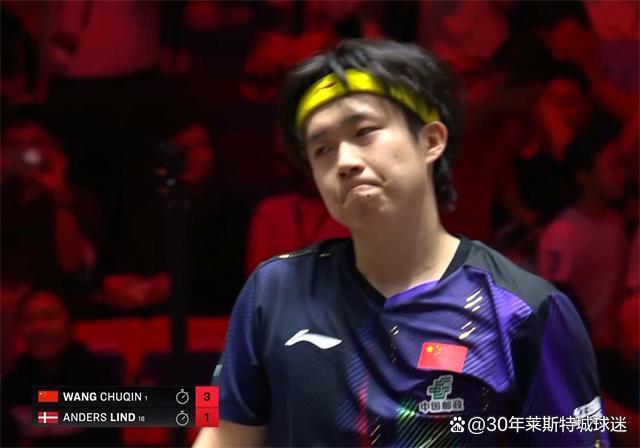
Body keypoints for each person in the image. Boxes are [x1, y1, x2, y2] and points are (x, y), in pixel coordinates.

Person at [194, 39, 608, 447]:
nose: (344, 161)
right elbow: (222, 434)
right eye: (322, 149)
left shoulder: (525, 309)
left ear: (431, 141)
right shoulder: (274, 290)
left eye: (364, 132)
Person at [1, 290, 120, 446]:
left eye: (49, 317)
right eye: (29, 320)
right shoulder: (11, 382)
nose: (39, 328)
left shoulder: (99, 376)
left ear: (71, 325)